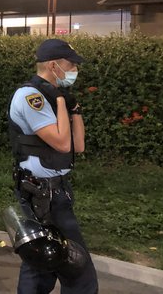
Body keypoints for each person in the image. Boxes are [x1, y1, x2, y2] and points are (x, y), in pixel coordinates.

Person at [8, 39, 98, 293]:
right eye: (71, 64)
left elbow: (76, 146)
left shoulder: (52, 96)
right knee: (77, 267)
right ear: (53, 65)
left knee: (40, 264)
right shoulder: (31, 96)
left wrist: (75, 109)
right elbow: (60, 143)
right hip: (42, 194)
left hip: (56, 191)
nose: (74, 70)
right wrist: (60, 102)